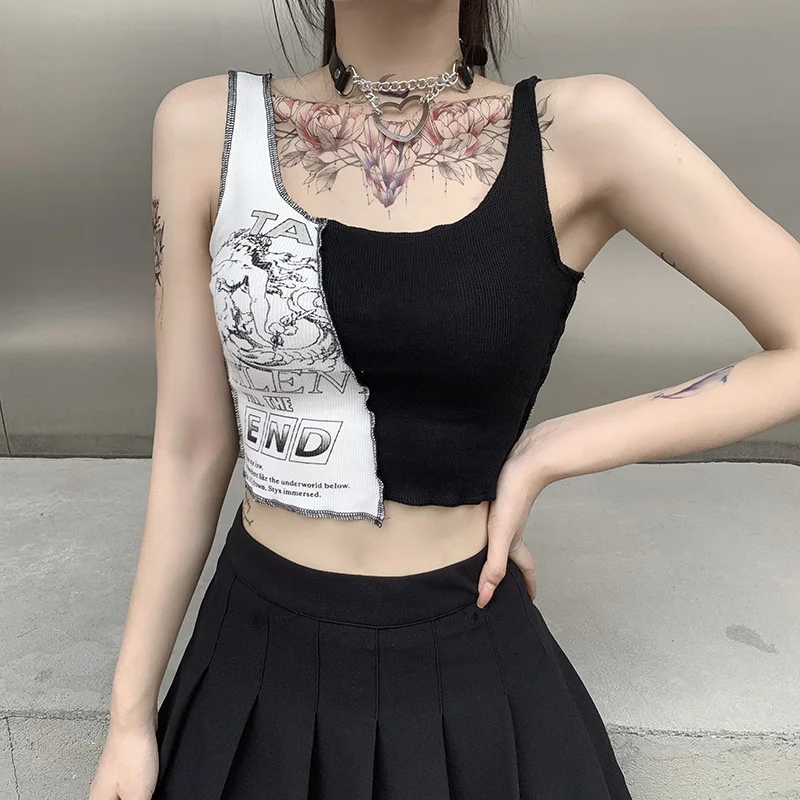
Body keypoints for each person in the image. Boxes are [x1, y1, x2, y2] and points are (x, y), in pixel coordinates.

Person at [90, 1, 800, 798]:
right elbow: (191, 446)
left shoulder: (584, 129)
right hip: (250, 669)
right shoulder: (204, 128)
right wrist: (128, 719)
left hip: (467, 667)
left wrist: (548, 451)